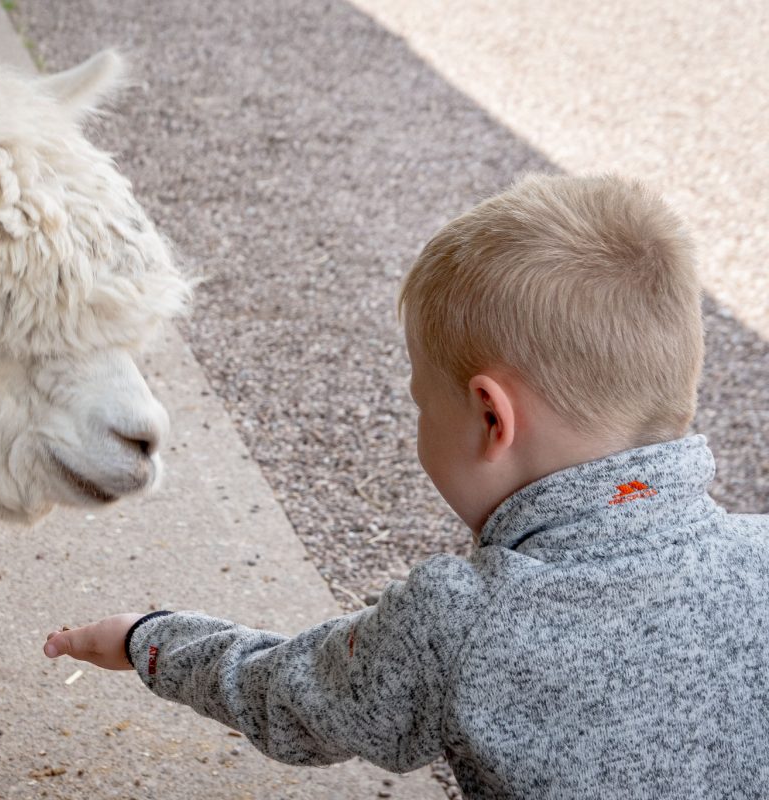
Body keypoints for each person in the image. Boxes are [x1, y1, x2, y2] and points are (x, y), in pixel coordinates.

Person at [42, 174, 769, 798]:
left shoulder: (462, 622)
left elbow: (290, 693)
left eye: (423, 402)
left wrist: (150, 640)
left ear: (491, 416)